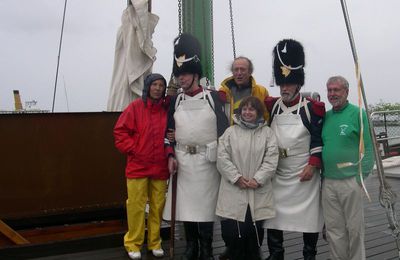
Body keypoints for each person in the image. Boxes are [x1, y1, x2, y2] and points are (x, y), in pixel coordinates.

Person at [162, 33, 229, 260]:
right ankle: (191, 246)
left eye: (185, 74)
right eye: (179, 75)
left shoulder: (213, 98)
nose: (181, 79)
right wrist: (170, 153)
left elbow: (224, 129)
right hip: (183, 161)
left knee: (206, 208)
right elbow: (168, 132)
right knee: (187, 209)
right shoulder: (175, 101)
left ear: (196, 74)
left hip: (207, 161)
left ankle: (206, 247)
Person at [263, 39, 325, 260]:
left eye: (288, 84)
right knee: (273, 217)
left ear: (298, 84)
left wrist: (312, 165)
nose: (284, 88)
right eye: (282, 85)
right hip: (278, 173)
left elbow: (317, 140)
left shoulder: (311, 109)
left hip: (303, 174)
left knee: (310, 219)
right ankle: (276, 254)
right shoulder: (272, 107)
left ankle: (309, 254)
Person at [113, 73, 170, 260]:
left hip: (160, 166)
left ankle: (155, 242)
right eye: (154, 84)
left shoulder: (166, 109)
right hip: (138, 166)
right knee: (136, 206)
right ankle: (133, 243)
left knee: (157, 206)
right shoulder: (135, 107)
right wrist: (134, 149)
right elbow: (120, 132)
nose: (158, 88)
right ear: (148, 87)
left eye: (161, 85)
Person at [216, 96, 279, 260]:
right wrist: (236, 177)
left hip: (256, 190)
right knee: (232, 232)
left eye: (251, 109)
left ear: (258, 112)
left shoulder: (267, 133)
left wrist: (258, 179)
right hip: (234, 188)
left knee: (253, 232)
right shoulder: (230, 132)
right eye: (244, 109)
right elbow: (222, 157)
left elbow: (271, 159)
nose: (247, 112)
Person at [321, 75, 374, 260]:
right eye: (329, 90)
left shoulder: (358, 114)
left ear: (346, 91)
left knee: (354, 229)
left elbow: (369, 147)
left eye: (336, 90)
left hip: (351, 180)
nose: (332, 94)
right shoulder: (326, 117)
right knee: (334, 230)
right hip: (328, 182)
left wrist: (361, 177)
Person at [219, 56, 270, 125]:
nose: (239, 73)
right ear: (232, 72)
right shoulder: (224, 92)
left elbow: (266, 117)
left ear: (250, 72)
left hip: (255, 133)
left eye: (242, 69)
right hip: (231, 133)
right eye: (236, 70)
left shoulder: (261, 91)